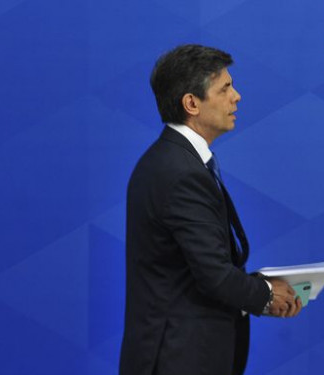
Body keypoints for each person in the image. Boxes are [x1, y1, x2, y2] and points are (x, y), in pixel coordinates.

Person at [119, 44, 302, 375]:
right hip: (179, 359)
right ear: (192, 103)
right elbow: (213, 275)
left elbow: (191, 268)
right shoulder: (180, 172)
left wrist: (260, 286)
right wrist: (265, 295)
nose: (237, 97)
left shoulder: (174, 161)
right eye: (225, 88)